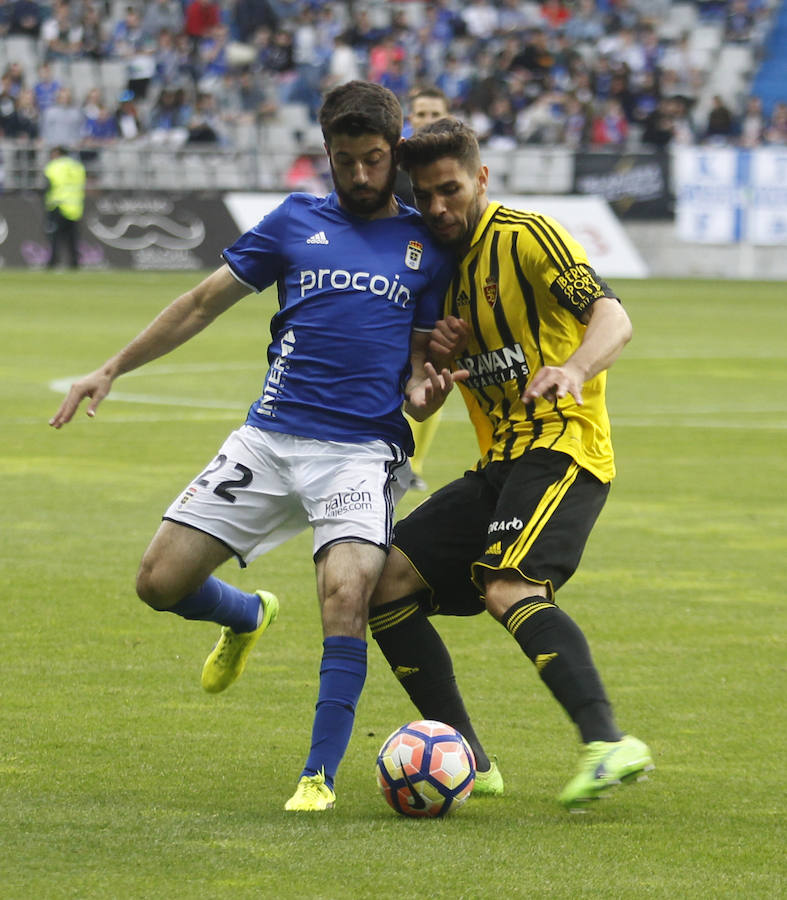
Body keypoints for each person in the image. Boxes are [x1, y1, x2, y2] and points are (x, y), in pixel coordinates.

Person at [49, 81, 460, 812]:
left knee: (346, 595)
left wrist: (426, 392)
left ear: (394, 153)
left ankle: (317, 777)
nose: (360, 175)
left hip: (360, 451)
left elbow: (420, 363)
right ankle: (245, 616)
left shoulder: (424, 244)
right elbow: (200, 303)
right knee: (158, 583)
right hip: (269, 439)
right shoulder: (294, 220)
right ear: (326, 153)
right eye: (344, 160)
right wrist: (111, 367)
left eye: (372, 159)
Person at [368, 118, 654, 811]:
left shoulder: (526, 236)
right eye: (424, 195)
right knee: (381, 583)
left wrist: (573, 369)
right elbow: (421, 390)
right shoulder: (436, 272)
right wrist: (430, 380)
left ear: (480, 179)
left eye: (450, 190)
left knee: (508, 585)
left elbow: (613, 319)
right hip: (498, 463)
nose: (438, 207)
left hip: (563, 445)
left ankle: (607, 743)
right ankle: (468, 759)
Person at [396, 86, 452, 491]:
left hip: (441, 282)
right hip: (398, 282)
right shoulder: (394, 167)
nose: (428, 119)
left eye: (435, 113)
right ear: (409, 119)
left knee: (435, 371)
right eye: (421, 113)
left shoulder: (460, 167)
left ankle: (412, 462)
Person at [43, 145, 86, 269]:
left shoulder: (54, 166)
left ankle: (53, 262)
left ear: (57, 154)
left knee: (55, 236)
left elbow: (48, 184)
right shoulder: (78, 167)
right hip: (75, 207)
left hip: (58, 204)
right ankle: (75, 262)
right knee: (72, 236)